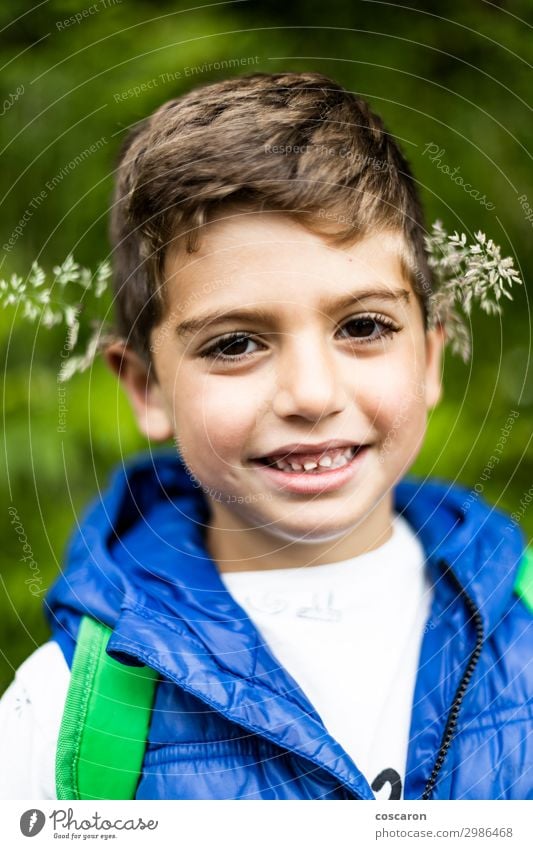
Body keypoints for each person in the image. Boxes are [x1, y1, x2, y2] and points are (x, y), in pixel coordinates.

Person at [0, 71, 531, 801]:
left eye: (363, 327)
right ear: (146, 387)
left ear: (430, 356)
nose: (311, 395)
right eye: (234, 344)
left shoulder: (523, 635)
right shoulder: (58, 713)